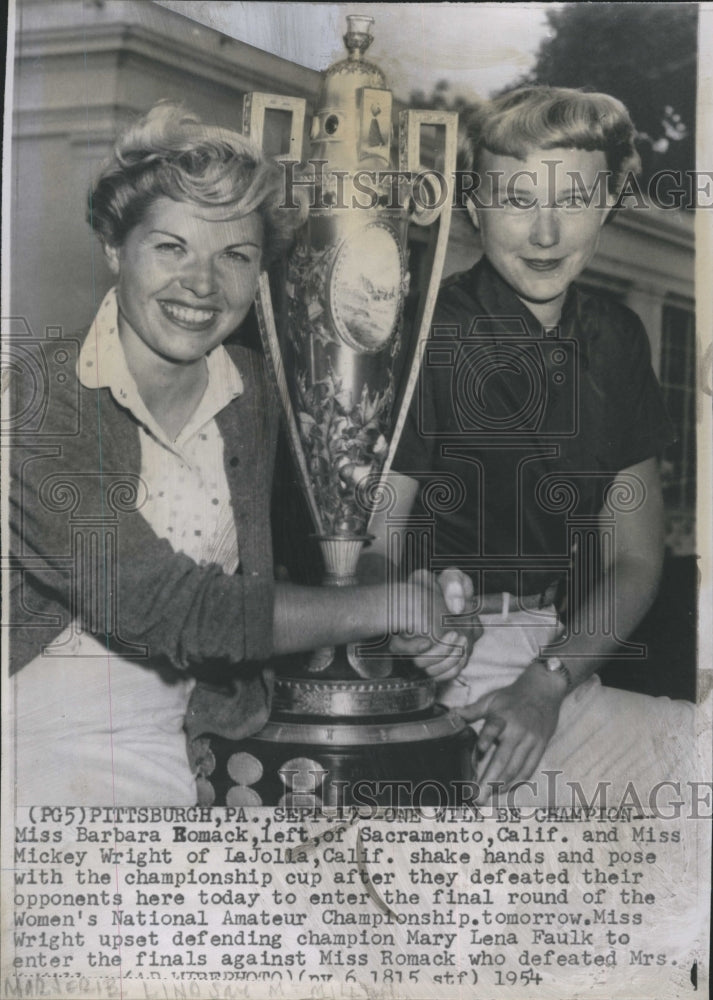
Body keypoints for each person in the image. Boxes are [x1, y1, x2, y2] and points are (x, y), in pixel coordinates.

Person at [8, 103, 466, 806]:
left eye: (235, 257)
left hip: (182, 746)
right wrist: (388, 605)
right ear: (113, 247)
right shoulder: (36, 396)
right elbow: (173, 609)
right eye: (171, 248)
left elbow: (323, 547)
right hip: (27, 744)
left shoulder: (254, 389)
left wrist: (426, 608)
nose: (201, 284)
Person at [371, 86, 698, 808]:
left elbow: (635, 558)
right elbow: (373, 549)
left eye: (574, 199)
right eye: (516, 199)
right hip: (425, 659)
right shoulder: (429, 335)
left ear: (610, 199)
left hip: (553, 659)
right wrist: (418, 630)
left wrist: (545, 683)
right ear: (472, 205)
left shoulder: (615, 338)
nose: (546, 233)